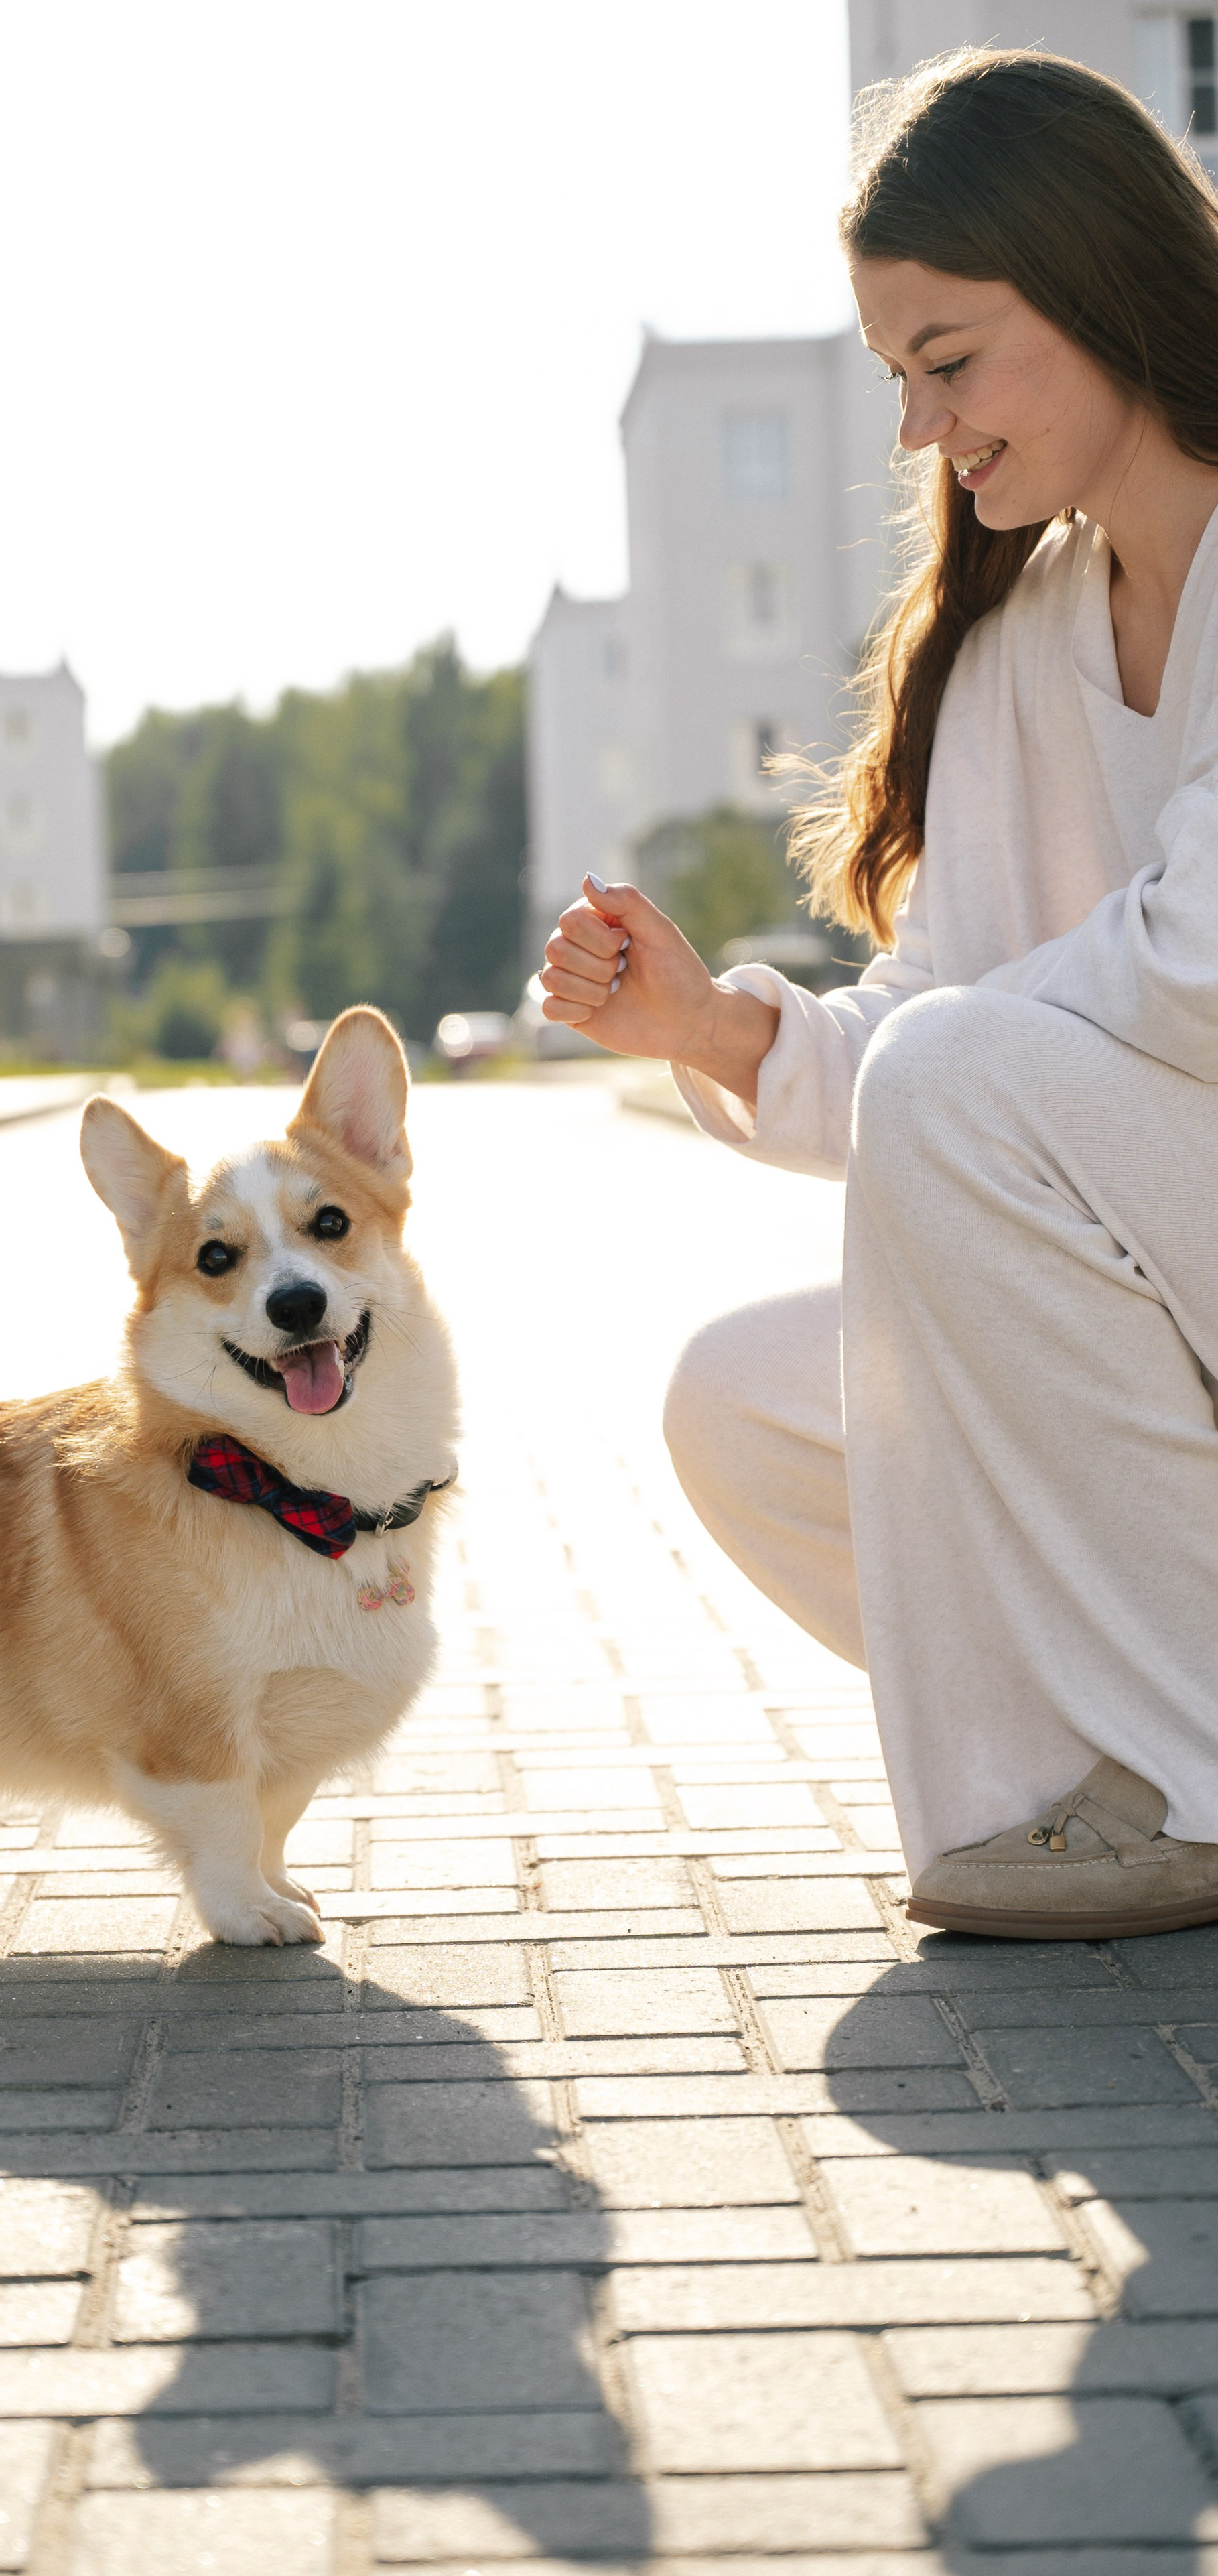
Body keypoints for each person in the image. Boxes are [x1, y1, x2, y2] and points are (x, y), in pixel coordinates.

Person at [540, 48, 1218, 1941]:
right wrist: (709, 1028)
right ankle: (1125, 1732)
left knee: (959, 1083)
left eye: (952, 360)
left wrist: (945, 1057)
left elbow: (1190, 975)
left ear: (1096, 284)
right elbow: (951, 1034)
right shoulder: (1027, 640)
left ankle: (1190, 1768)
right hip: (1172, 1284)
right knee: (740, 1402)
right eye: (895, 382)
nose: (923, 430)